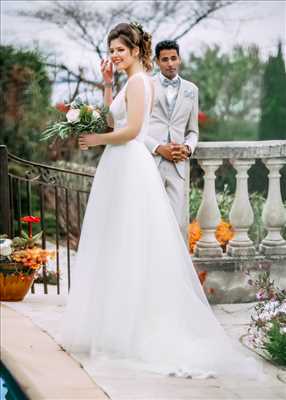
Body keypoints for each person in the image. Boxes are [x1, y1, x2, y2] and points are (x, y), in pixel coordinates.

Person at [60, 22, 264, 380]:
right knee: (117, 243)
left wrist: (97, 140)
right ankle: (117, 324)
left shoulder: (141, 82)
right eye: (111, 52)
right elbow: (113, 117)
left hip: (129, 164)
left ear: (136, 51)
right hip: (119, 166)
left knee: (136, 243)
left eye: (120, 50)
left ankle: (140, 328)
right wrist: (108, 84)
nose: (115, 56)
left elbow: (133, 131)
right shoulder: (128, 81)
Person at [145, 40, 198, 241]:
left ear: (180, 59)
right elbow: (137, 127)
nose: (170, 63)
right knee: (150, 220)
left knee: (177, 225)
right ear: (157, 61)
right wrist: (158, 147)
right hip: (149, 161)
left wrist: (187, 147)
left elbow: (193, 131)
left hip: (178, 165)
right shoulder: (146, 85)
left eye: (173, 58)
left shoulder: (191, 90)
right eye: (165, 59)